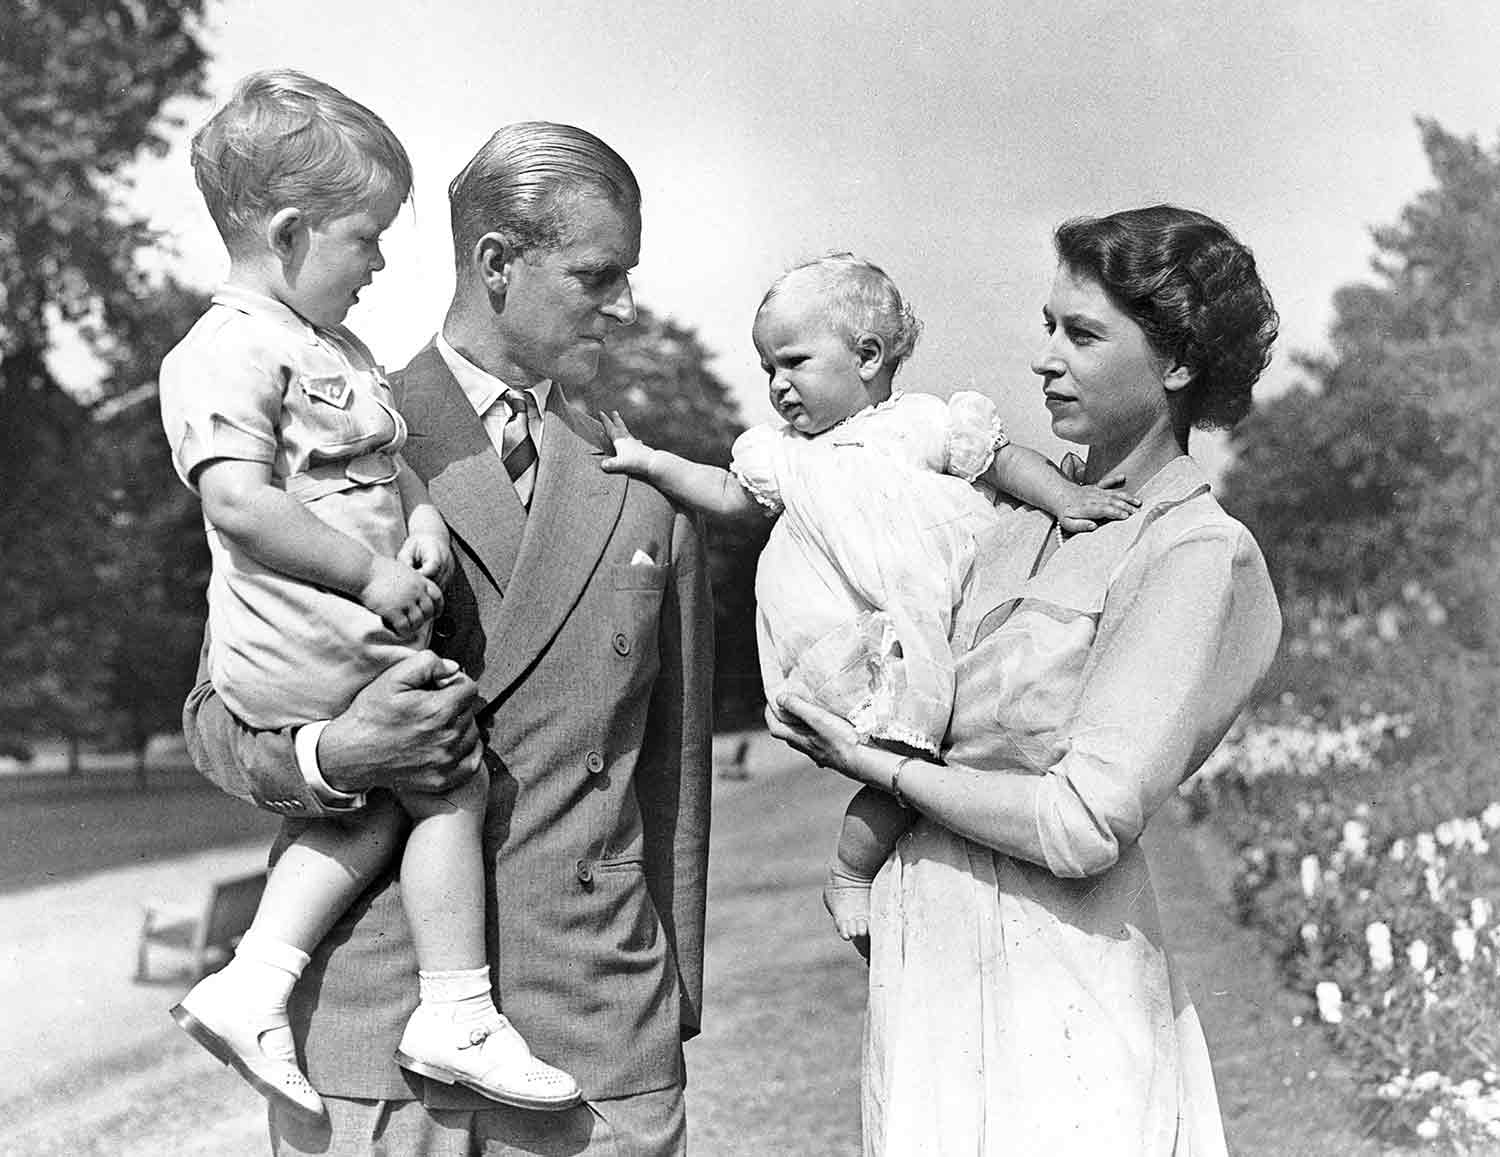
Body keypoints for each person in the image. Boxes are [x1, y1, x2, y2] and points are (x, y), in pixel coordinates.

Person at [182, 120, 714, 1156]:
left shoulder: (650, 489)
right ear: (497, 263)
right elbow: (216, 715)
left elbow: (674, 783)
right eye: (598, 273)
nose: (625, 303)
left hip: (593, 1042)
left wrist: (661, 1010)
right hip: (373, 1046)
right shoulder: (315, 426)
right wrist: (333, 755)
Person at [768, 206, 1283, 1155]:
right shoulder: (1010, 522)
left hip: (1064, 985)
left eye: (1081, 334)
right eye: (1047, 327)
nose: (1045, 358)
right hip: (928, 962)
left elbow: (1083, 822)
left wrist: (875, 768)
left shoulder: (1196, 551)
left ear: (1176, 363)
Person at [158, 69, 579, 1124]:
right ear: (293, 231)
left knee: (403, 787)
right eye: (367, 236)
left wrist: (426, 520)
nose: (383, 260)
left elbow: (389, 468)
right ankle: (455, 1007)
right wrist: (376, 574)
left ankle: (253, 978)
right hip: (301, 638)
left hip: (346, 632)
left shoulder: (333, 350)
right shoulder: (223, 350)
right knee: (445, 771)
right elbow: (244, 507)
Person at [601, 253, 1137, 952]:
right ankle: (851, 871)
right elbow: (728, 495)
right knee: (897, 754)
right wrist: (651, 462)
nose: (777, 385)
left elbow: (1002, 461)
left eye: (792, 361)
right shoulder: (785, 454)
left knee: (940, 754)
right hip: (851, 639)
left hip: (932, 623)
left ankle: (888, 868)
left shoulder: (924, 423)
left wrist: (1064, 498)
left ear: (867, 355)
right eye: (766, 370)